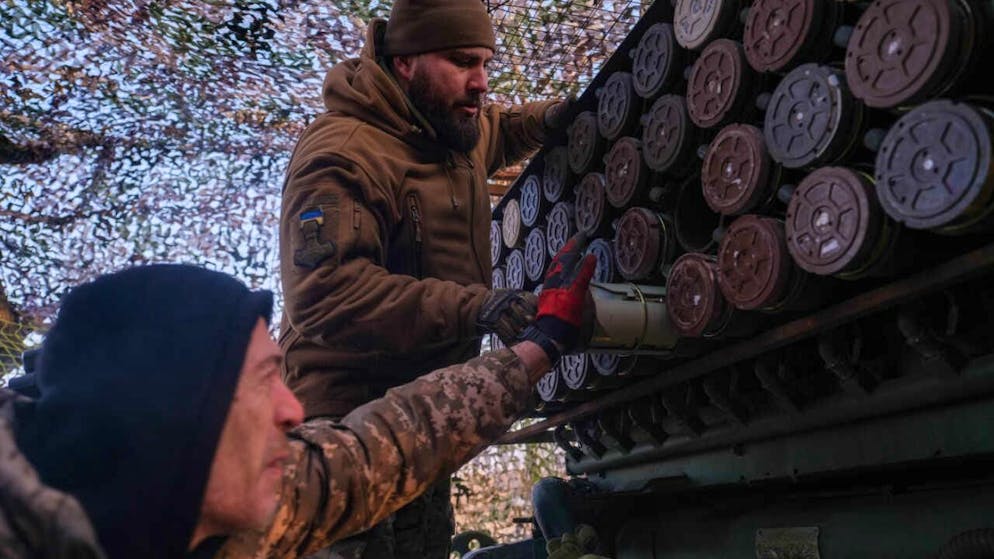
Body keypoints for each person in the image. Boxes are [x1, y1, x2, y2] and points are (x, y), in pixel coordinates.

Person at [1, 235, 595, 559]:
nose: (292, 411)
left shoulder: (201, 491)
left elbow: (379, 449)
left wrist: (539, 347)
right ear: (174, 415)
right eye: (264, 381)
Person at [279, 0, 572, 556]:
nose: (480, 82)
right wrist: (475, 307)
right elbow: (325, 295)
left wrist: (552, 119)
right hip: (344, 430)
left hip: (425, 417)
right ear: (406, 61)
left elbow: (499, 130)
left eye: (485, 63)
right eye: (462, 61)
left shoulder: (448, 122)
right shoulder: (344, 154)